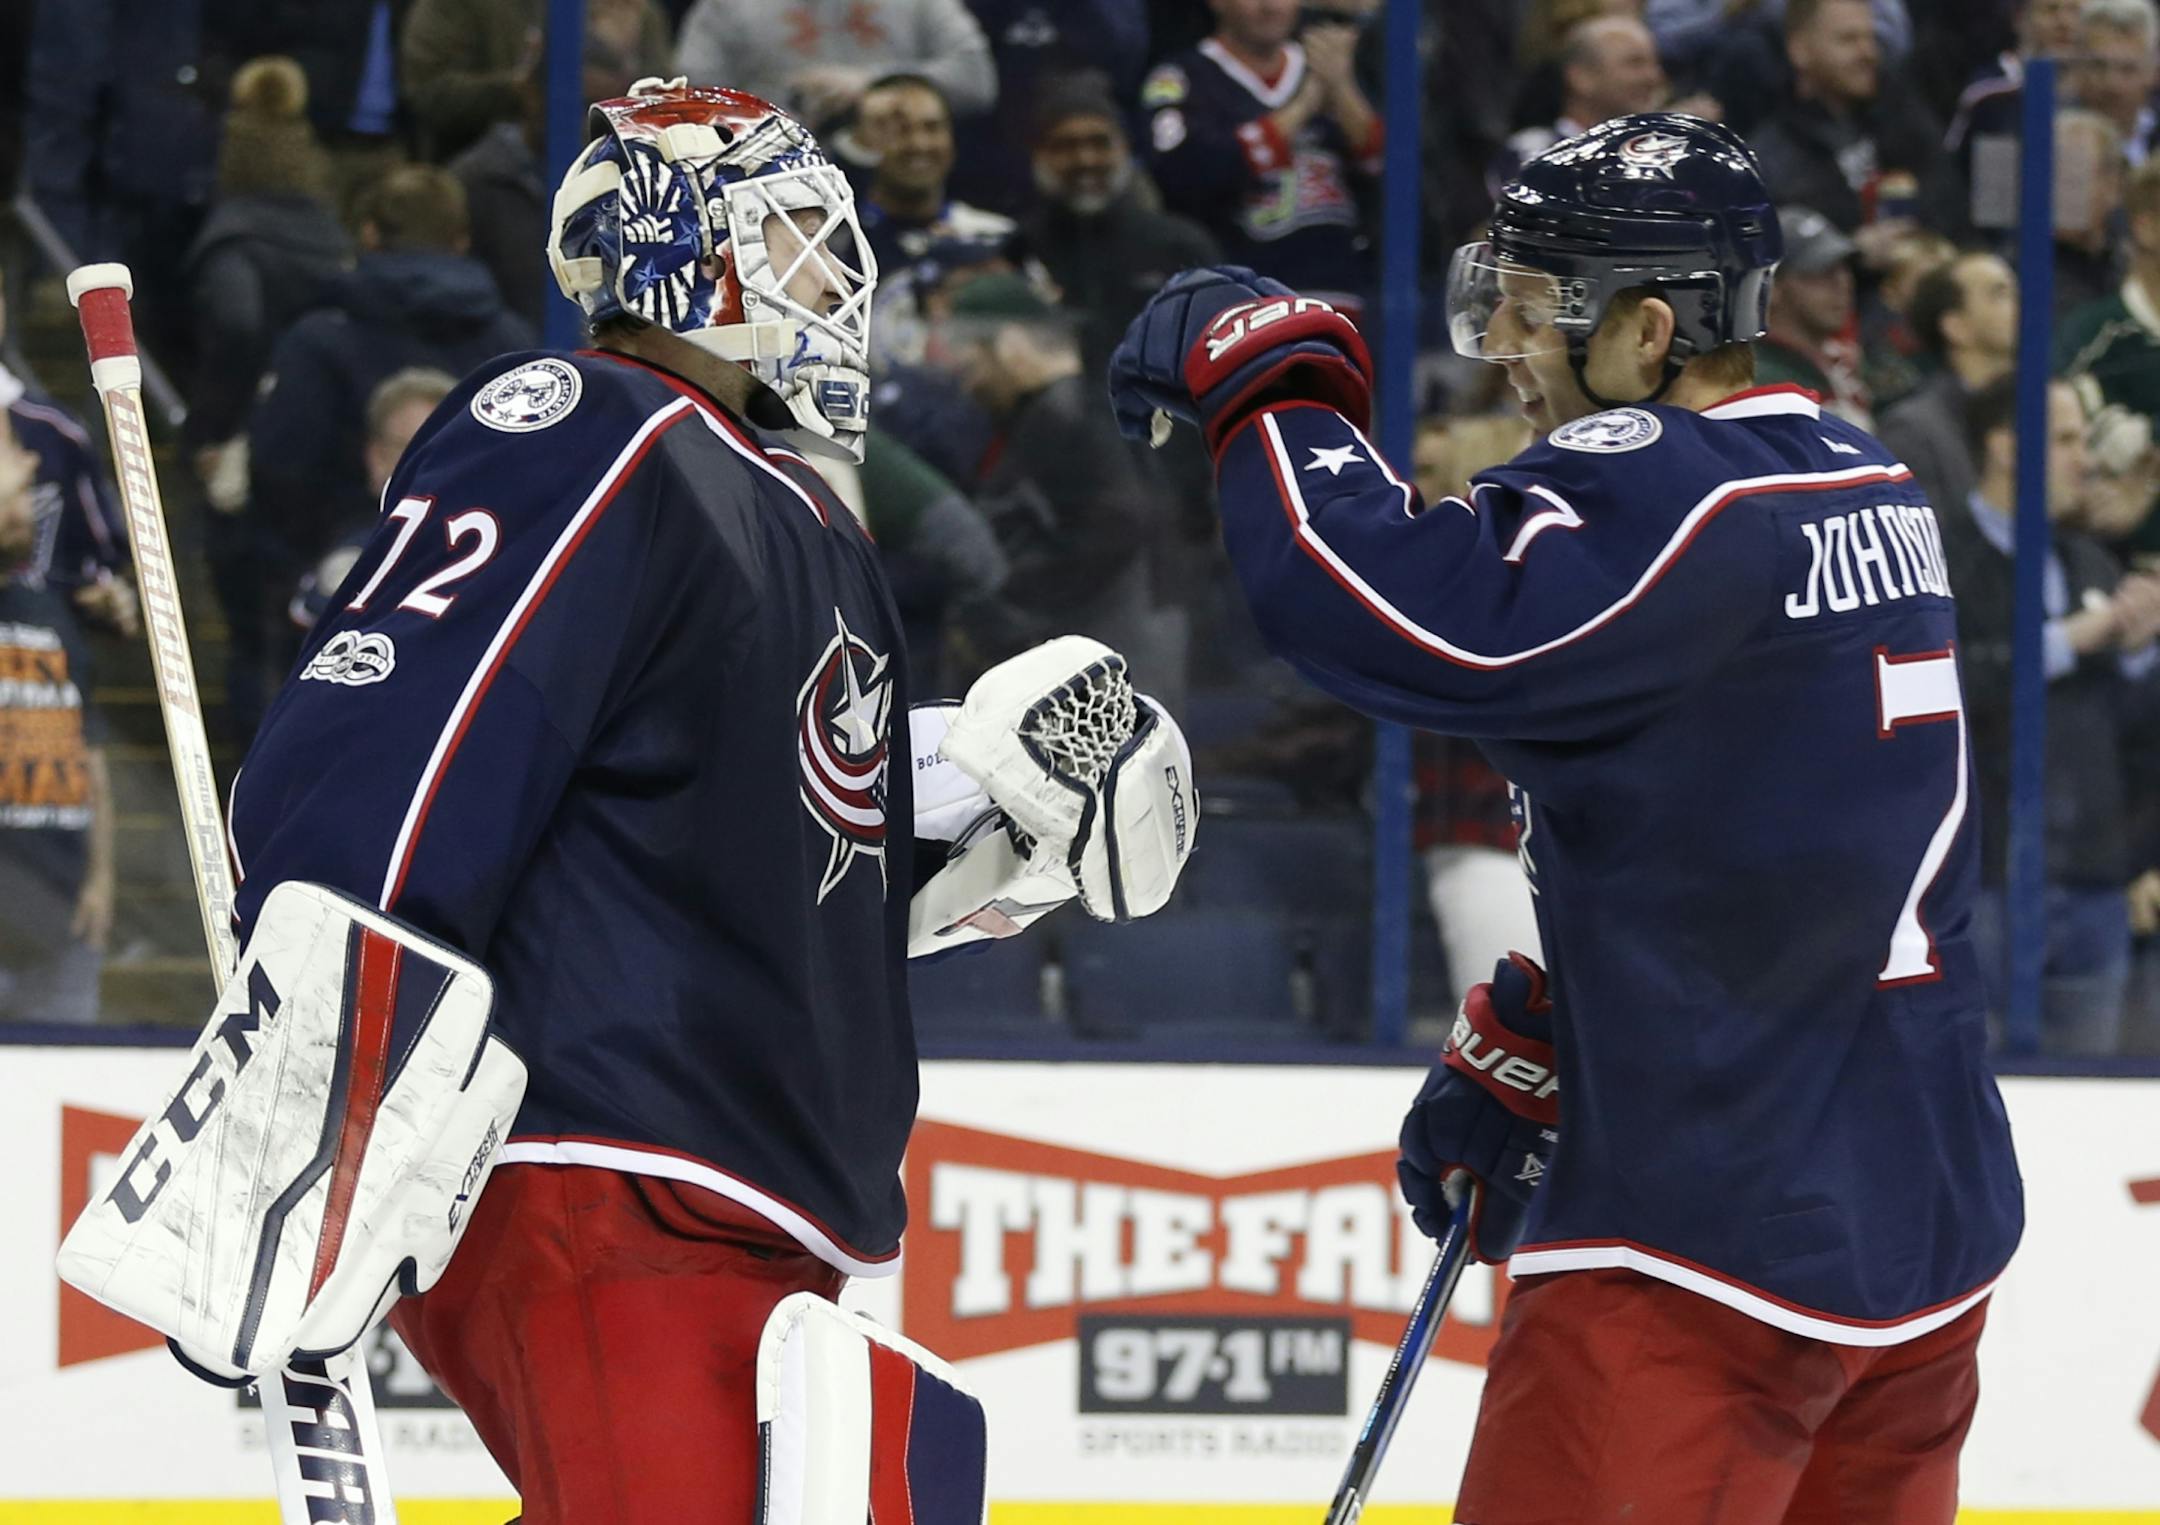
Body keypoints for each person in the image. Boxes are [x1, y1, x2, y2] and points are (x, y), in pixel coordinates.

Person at [223, 80, 1189, 1521]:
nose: (833, 279)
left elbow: (781, 846)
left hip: (747, 1193)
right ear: (677, 248)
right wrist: (317, 1070)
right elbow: (382, 740)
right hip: (601, 1159)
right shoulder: (581, 422)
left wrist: (1006, 828)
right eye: (796, 235)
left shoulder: (797, 510)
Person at [1111, 112, 2022, 1521]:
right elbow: (1792, 811)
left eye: (1535, 311)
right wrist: (1583, 1025)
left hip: (1710, 1249)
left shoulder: (1671, 489)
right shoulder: (1868, 479)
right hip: (1920, 1226)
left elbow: (1404, 619)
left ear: (1650, 330)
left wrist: (1270, 388)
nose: (1509, 348)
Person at [1940, 376, 2160, 1055]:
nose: (2086, 461)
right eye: (2067, 440)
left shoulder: (2090, 559)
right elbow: (1948, 686)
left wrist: (2139, 653)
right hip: (1982, 890)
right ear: (2006, 446)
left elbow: (2130, 735)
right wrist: (2071, 640)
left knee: (2088, 1120)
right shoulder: (1941, 559)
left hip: (2094, 887)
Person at [246, 164, 532, 599]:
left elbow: (278, 465)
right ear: (460, 240)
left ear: (369, 234)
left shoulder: (318, 339)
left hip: (337, 581)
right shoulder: (513, 342)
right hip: (483, 580)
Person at [1140, 0, 1380, 312]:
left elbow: (1392, 172)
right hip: (1235, 304)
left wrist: (1342, 88)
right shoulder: (1181, 78)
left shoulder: (1333, 67)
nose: (1270, 6)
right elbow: (1186, 172)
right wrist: (1304, 105)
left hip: (1340, 297)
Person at [0, 417, 112, 1025]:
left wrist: (102, 880)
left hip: (63, 931)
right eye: (12, 452)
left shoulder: (49, 613)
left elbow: (90, 752)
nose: (33, 468)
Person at [1018, 71, 1220, 385]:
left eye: (1099, 143)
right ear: (1039, 156)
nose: (1085, 159)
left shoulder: (1182, 247)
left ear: (1124, 149)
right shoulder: (1018, 251)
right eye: (1065, 145)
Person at [1746, 0, 1958, 243]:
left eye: (1870, 38)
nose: (1868, 53)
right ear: (1799, 50)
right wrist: (1854, 253)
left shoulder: (1902, 118)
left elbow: (1951, 201)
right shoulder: (1771, 160)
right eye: (1848, 40)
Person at [673, 0, 996, 129]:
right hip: (768, 184)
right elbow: (686, 103)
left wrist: (874, 83)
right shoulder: (728, 7)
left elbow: (976, 79)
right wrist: (780, 118)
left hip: (898, 182)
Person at [1879, 248, 2017, 516]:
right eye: (1999, 293)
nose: (2021, 303)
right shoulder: (1914, 432)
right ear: (1956, 327)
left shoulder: (2047, 409)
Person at [1490, 15, 1673, 193]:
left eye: (1655, 64)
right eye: (1635, 64)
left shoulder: (1665, 155)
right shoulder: (1536, 152)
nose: (1654, 77)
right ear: (1581, 77)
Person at [1752, 204, 1872, 426]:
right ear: (1772, 287)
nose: (1843, 284)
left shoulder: (1847, 361)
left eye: (1844, 268)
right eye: (1821, 271)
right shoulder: (1758, 380)